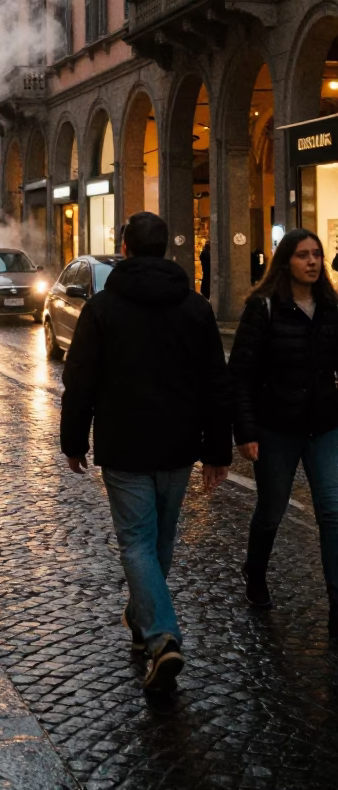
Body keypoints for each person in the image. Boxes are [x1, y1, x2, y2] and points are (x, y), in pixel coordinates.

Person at [60, 211, 231, 693]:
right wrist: (217, 450)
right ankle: (141, 622)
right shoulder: (195, 307)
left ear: (125, 248)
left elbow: (80, 380)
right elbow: (216, 383)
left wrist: (73, 439)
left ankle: (161, 637)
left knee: (137, 543)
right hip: (179, 444)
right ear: (167, 248)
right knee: (159, 544)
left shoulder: (103, 308)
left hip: (125, 443)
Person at [228, 228, 338, 632]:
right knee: (272, 510)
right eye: (302, 255)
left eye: (316, 255)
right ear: (286, 262)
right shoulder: (264, 308)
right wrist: (246, 432)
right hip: (276, 428)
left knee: (333, 512)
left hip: (324, 427)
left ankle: (337, 603)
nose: (312, 262)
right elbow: (240, 375)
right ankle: (255, 572)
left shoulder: (330, 306)